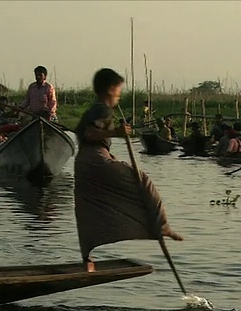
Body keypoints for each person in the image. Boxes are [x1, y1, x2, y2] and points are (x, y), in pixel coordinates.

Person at [73, 68, 182, 273]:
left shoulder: (93, 110)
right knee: (141, 180)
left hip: (83, 162)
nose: (119, 94)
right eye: (119, 89)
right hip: (96, 159)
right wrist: (116, 132)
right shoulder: (102, 109)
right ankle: (162, 225)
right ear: (110, 89)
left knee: (88, 207)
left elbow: (83, 131)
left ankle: (87, 261)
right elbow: (89, 133)